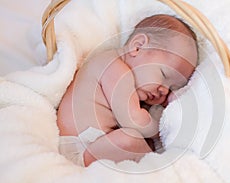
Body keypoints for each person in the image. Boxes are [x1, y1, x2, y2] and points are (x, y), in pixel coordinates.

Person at [57, 14, 198, 167]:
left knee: (131, 139)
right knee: (129, 138)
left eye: (172, 88)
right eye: (163, 74)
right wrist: (164, 126)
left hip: (93, 145)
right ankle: (159, 163)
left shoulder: (123, 73)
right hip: (79, 150)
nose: (164, 90)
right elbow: (135, 122)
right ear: (137, 47)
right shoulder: (114, 69)